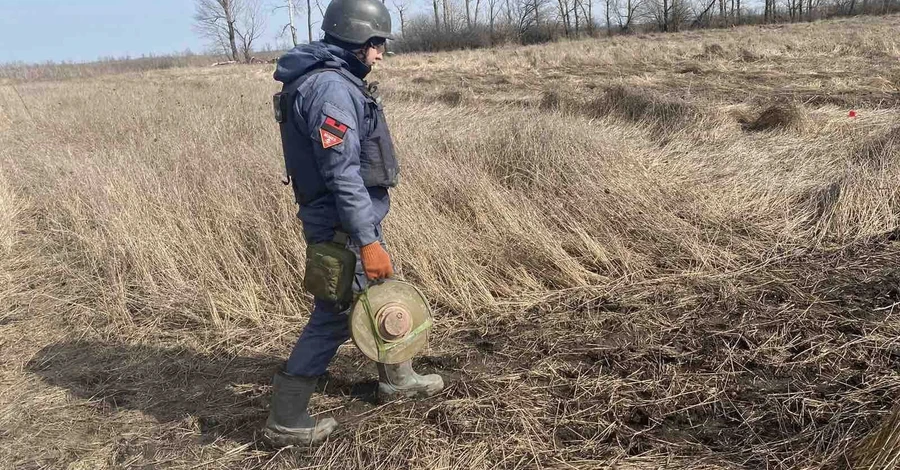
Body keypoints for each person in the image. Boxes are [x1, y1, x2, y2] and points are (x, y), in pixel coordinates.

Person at [264, 0, 445, 448]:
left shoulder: (328, 80)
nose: (380, 53)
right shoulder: (330, 91)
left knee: (377, 291)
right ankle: (286, 417)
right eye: (377, 43)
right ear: (356, 39)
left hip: (348, 218)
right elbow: (341, 173)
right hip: (342, 223)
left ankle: (397, 379)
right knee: (334, 313)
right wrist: (366, 240)